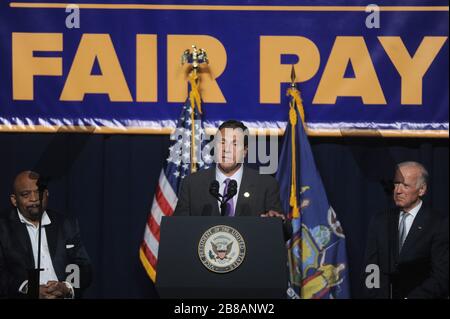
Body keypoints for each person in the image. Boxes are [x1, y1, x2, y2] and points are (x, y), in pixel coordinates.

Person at [174, 120, 289, 226]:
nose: (226, 149)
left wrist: (277, 222)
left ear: (244, 151)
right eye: (222, 142)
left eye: (234, 144)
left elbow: (285, 233)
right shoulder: (192, 184)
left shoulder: (266, 185)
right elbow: (178, 228)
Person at [0, 171, 92, 299]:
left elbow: (82, 266)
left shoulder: (65, 223)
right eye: (25, 194)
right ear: (14, 200)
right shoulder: (3, 228)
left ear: (47, 194)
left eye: (39, 192)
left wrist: (67, 287)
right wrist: (29, 289)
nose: (34, 198)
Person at [363, 161, 449, 299]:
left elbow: (442, 276)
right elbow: (371, 268)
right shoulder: (379, 220)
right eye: (396, 183)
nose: (398, 190)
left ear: (422, 190)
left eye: (405, 185)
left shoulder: (439, 223)